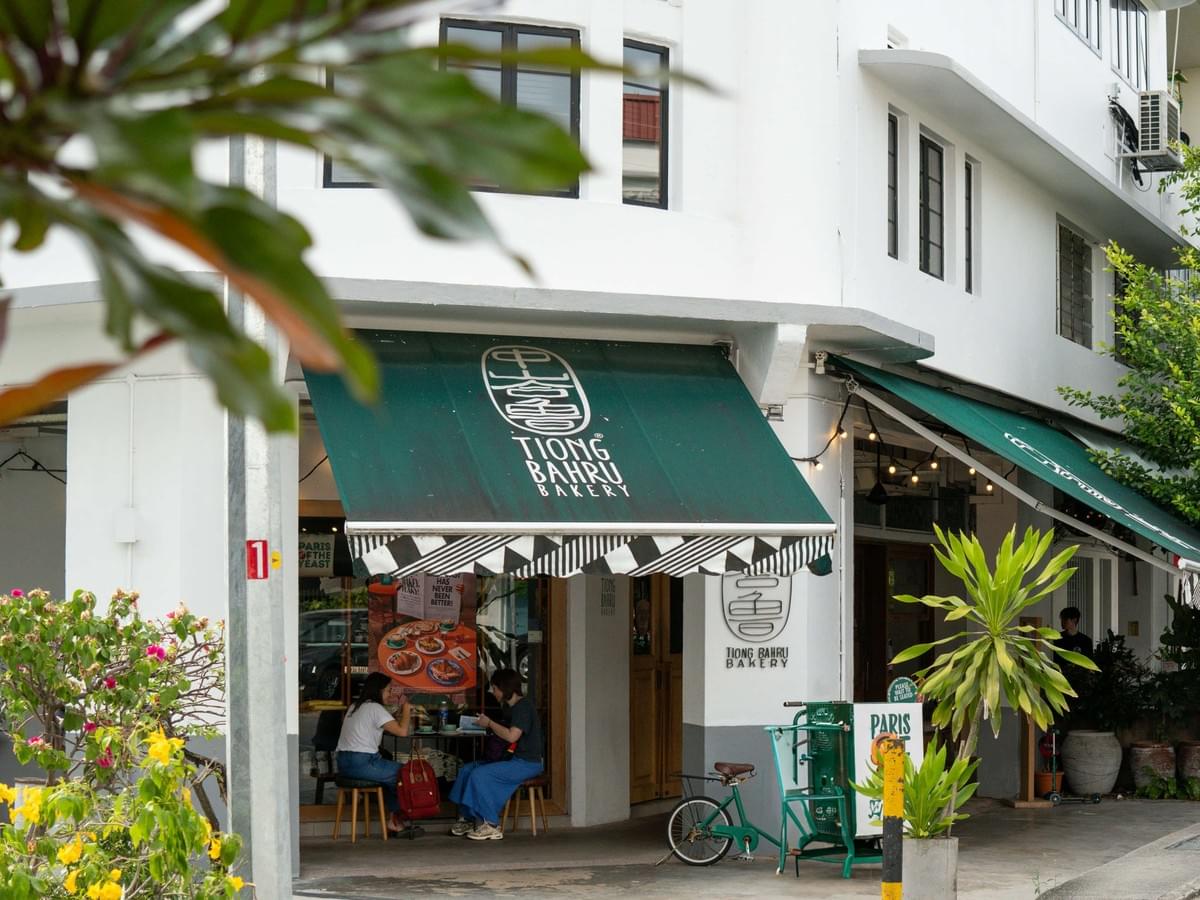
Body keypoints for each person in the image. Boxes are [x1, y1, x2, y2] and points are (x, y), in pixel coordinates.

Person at [449, 668, 544, 841]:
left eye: (494, 688)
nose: (493, 692)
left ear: (504, 688)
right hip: (510, 758)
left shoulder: (523, 707)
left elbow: (511, 735)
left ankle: (491, 824)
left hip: (526, 763)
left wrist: (490, 723)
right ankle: (469, 818)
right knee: (468, 769)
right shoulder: (510, 708)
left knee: (480, 774)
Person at [335, 672, 414, 834]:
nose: (390, 694)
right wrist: (406, 710)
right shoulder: (375, 708)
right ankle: (396, 819)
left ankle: (395, 818)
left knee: (391, 773)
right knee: (403, 773)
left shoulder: (355, 706)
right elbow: (402, 732)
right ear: (378, 690)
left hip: (343, 763)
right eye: (388, 690)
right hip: (362, 762)